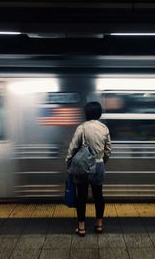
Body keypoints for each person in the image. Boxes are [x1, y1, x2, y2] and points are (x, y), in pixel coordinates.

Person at [66, 101, 112, 237]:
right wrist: (102, 162)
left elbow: (73, 147)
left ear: (86, 113)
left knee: (82, 197)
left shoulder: (82, 128)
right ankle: (99, 225)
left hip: (83, 166)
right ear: (99, 113)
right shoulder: (104, 128)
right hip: (98, 166)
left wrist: (68, 162)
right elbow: (108, 150)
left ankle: (81, 227)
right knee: (98, 196)